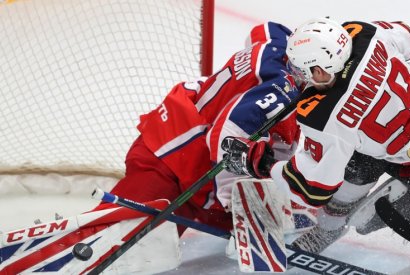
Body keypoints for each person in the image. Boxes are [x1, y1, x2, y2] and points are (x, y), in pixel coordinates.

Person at [221, 18, 410, 272]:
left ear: (318, 70)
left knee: (367, 192)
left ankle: (343, 223)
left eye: (301, 69)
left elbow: (313, 188)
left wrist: (260, 162)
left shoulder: (323, 116)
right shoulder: (363, 32)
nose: (298, 75)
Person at [92, 21, 302, 236]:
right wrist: (235, 204)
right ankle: (61, 248)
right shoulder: (281, 92)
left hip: (191, 162)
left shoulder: (279, 45)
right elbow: (226, 138)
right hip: (170, 157)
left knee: (154, 249)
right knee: (109, 238)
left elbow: (265, 28)